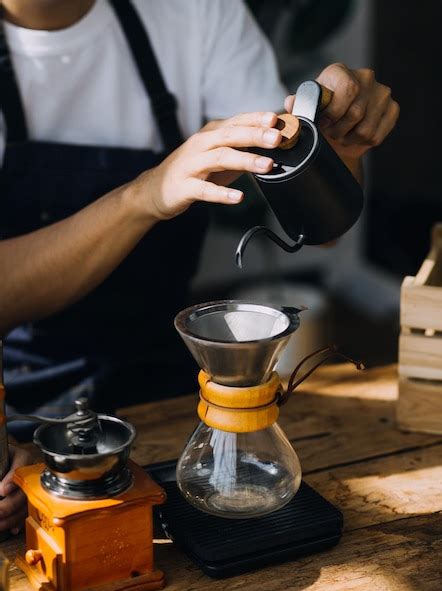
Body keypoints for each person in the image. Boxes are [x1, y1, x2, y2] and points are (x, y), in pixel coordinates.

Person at [0, 0, 399, 532]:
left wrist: (332, 148)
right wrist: (144, 195)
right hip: (23, 419)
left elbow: (320, 232)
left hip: (168, 385)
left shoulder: (195, 12)